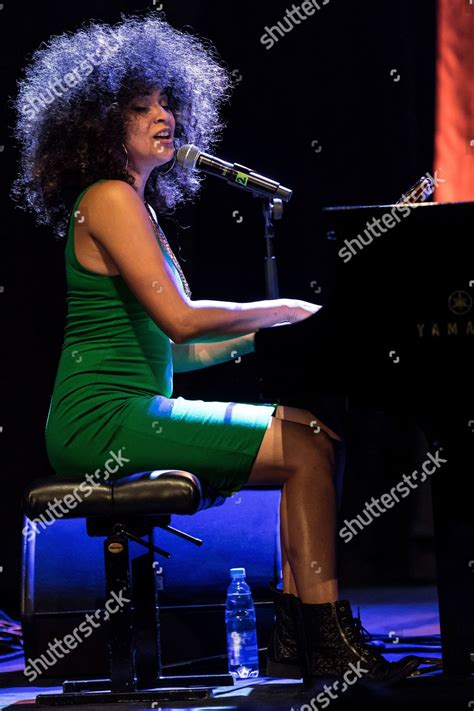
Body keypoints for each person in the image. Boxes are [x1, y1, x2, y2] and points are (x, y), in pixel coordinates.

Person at [11, 11, 421, 684]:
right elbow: (181, 319)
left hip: (131, 406)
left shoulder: (135, 207)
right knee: (306, 446)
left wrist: (278, 337)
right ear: (99, 125)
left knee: (313, 434)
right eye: (141, 108)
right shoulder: (110, 197)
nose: (163, 116)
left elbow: (184, 353)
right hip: (102, 420)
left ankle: (300, 626)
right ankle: (319, 635)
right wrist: (281, 309)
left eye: (167, 102)